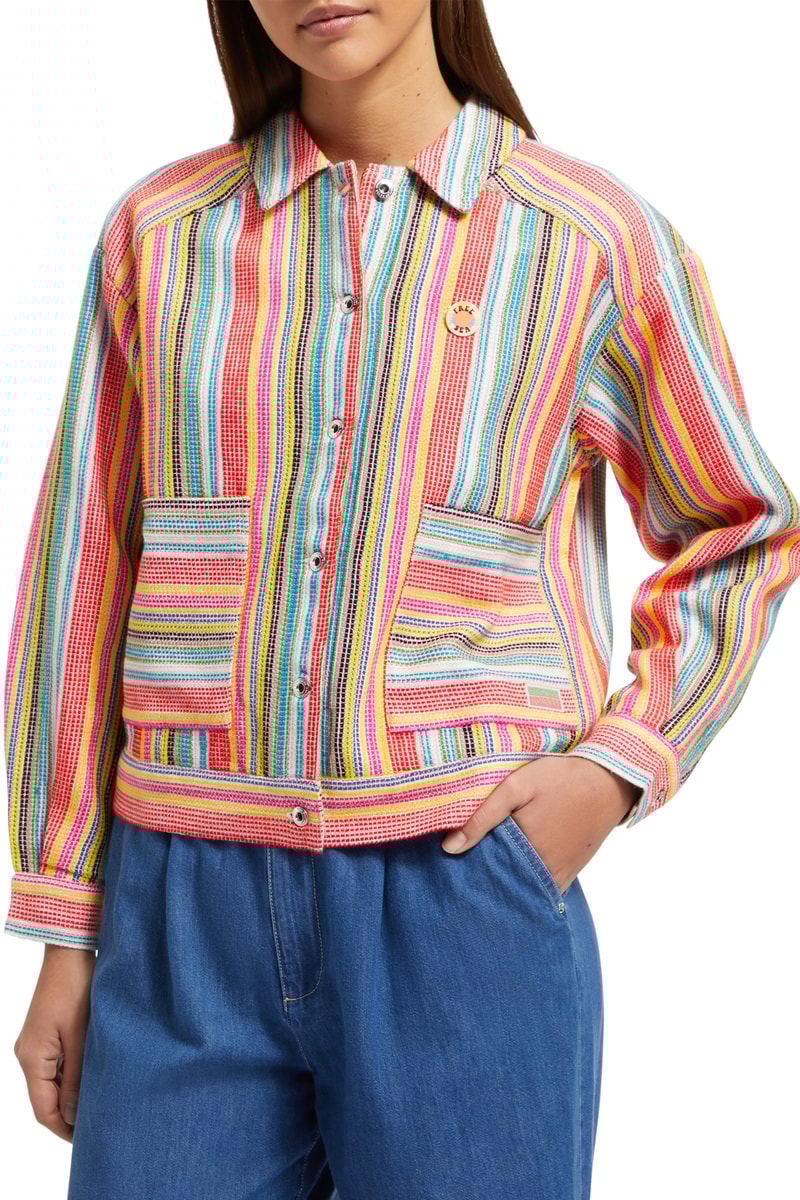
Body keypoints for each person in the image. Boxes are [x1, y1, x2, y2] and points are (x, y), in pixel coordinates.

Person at [6, 1, 800, 1197]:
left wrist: (615, 767)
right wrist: (66, 925)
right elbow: (84, 577)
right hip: (180, 913)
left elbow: (743, 527)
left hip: (459, 893)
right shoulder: (157, 239)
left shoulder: (589, 242)